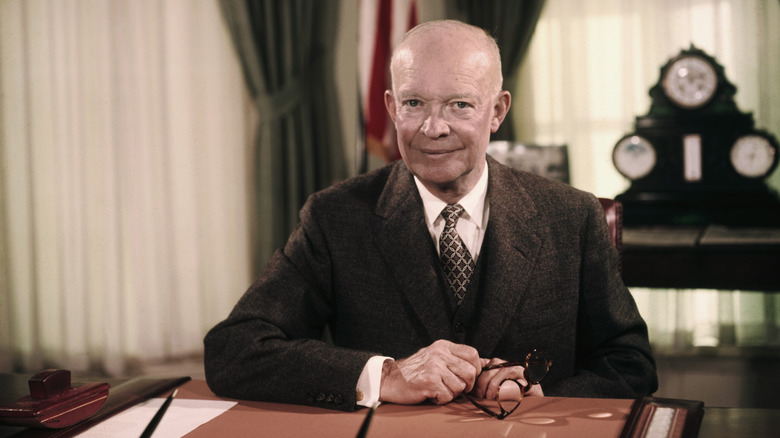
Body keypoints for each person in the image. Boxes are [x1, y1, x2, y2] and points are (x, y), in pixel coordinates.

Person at [204, 19, 657, 412]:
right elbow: (233, 350)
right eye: (414, 103)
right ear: (390, 108)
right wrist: (386, 376)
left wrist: (544, 394)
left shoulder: (571, 215)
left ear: (497, 111)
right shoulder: (335, 216)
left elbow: (629, 363)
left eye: (459, 105)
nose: (433, 128)